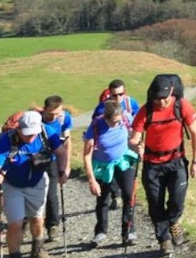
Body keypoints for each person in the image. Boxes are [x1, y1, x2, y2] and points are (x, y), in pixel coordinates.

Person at [0, 111, 69, 258]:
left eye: (33, 134)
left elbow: (61, 152)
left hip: (37, 183)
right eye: (26, 134)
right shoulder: (6, 141)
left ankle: (37, 248)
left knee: (36, 218)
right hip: (12, 185)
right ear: (19, 129)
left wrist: (63, 170)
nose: (30, 138)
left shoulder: (46, 133)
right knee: (15, 223)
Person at [129, 79, 196, 256]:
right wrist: (136, 145)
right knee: (155, 203)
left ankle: (173, 222)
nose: (161, 102)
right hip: (152, 164)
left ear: (171, 93)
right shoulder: (146, 111)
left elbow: (194, 133)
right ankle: (163, 239)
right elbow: (133, 138)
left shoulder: (181, 106)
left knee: (177, 200)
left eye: (164, 98)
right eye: (157, 98)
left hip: (176, 161)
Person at [83, 97, 139, 246]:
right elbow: (87, 155)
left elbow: (134, 135)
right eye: (114, 122)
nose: (117, 124)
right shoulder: (95, 126)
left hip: (122, 161)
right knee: (103, 199)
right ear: (105, 118)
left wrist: (139, 146)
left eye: (119, 121)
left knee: (129, 195)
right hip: (102, 166)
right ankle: (101, 231)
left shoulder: (126, 118)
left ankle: (128, 231)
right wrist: (92, 180)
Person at [92, 80, 139, 211]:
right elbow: (95, 124)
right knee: (111, 167)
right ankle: (115, 195)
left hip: (128, 142)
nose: (118, 97)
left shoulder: (131, 103)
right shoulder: (102, 107)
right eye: (114, 95)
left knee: (127, 170)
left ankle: (128, 196)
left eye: (120, 94)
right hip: (108, 145)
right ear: (109, 94)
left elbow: (139, 120)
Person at [39, 96, 74, 242]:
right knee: (31, 193)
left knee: (51, 195)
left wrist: (66, 167)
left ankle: (52, 226)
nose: (53, 117)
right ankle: (27, 221)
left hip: (53, 160)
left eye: (57, 113)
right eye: (50, 114)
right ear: (45, 109)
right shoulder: (36, 118)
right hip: (34, 161)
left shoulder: (64, 118)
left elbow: (66, 142)